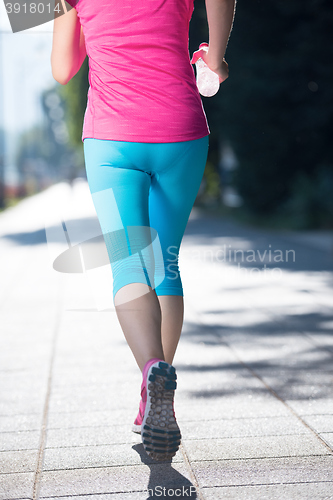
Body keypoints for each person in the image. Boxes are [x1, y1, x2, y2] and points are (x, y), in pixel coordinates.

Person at [51, 0, 236, 461]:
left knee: (131, 263)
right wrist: (214, 56)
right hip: (181, 131)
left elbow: (62, 68)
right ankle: (155, 395)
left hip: (113, 139)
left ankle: (152, 371)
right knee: (165, 265)